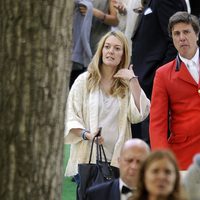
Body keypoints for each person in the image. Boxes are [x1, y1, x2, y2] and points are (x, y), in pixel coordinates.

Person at [64, 30, 150, 181]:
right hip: (88, 159)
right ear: (101, 50)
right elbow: (71, 116)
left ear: (123, 54)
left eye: (117, 48)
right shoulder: (84, 81)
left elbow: (139, 114)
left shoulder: (126, 84)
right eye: (107, 46)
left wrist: (133, 81)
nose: (111, 51)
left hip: (117, 161)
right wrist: (88, 135)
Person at [130, 0, 187, 145]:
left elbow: (175, 42)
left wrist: (160, 75)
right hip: (144, 81)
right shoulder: (152, 2)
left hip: (153, 81)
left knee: (151, 138)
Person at [150, 11, 200, 170]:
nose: (182, 37)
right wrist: (161, 159)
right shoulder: (163, 74)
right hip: (183, 156)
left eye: (186, 32)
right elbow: (157, 123)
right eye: (176, 33)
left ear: (197, 35)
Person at [70, 0, 119, 88]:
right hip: (77, 50)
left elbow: (115, 21)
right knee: (75, 85)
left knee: (93, 85)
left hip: (96, 47)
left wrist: (96, 13)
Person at [86, 138, 150, 200]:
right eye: (129, 160)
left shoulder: (157, 194)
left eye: (140, 161)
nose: (134, 166)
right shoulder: (96, 194)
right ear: (119, 161)